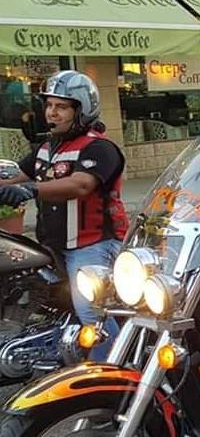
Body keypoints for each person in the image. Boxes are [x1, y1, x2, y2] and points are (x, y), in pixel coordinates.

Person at [0, 71, 127, 361]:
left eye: (61, 107)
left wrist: (30, 190)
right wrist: (11, 186)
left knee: (88, 310)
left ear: (80, 109)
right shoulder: (46, 148)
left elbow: (81, 184)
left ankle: (113, 368)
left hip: (92, 245)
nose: (51, 113)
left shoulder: (99, 148)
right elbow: (15, 178)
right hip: (54, 245)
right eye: (49, 106)